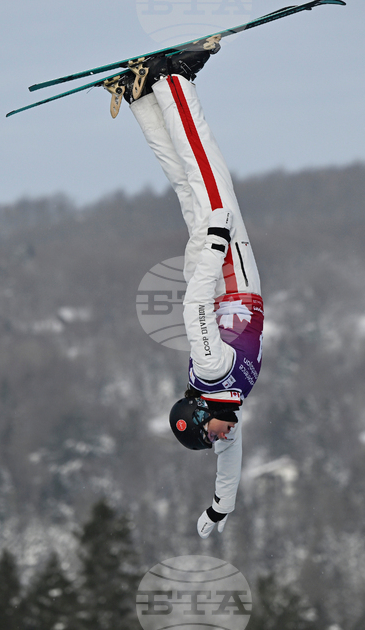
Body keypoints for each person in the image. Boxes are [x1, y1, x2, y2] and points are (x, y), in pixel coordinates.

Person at [113, 46, 264, 538]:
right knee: (187, 186)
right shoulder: (225, 408)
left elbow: (193, 306)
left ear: (201, 413)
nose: (222, 438)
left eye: (212, 435)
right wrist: (221, 507)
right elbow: (229, 462)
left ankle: (172, 82)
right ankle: (142, 98)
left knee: (210, 180)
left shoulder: (211, 369)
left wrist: (216, 245)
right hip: (223, 278)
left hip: (226, 277)